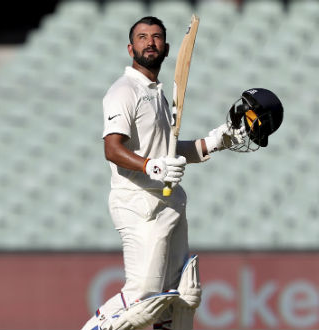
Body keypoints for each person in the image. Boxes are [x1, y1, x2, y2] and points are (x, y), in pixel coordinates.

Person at [81, 16, 243, 330]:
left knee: (180, 297)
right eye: (142, 37)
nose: (149, 42)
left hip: (169, 203)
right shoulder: (123, 90)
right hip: (138, 203)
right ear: (130, 47)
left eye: (156, 37)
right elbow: (112, 148)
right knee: (144, 296)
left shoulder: (157, 93)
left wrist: (215, 141)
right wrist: (149, 165)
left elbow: (168, 152)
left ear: (166, 48)